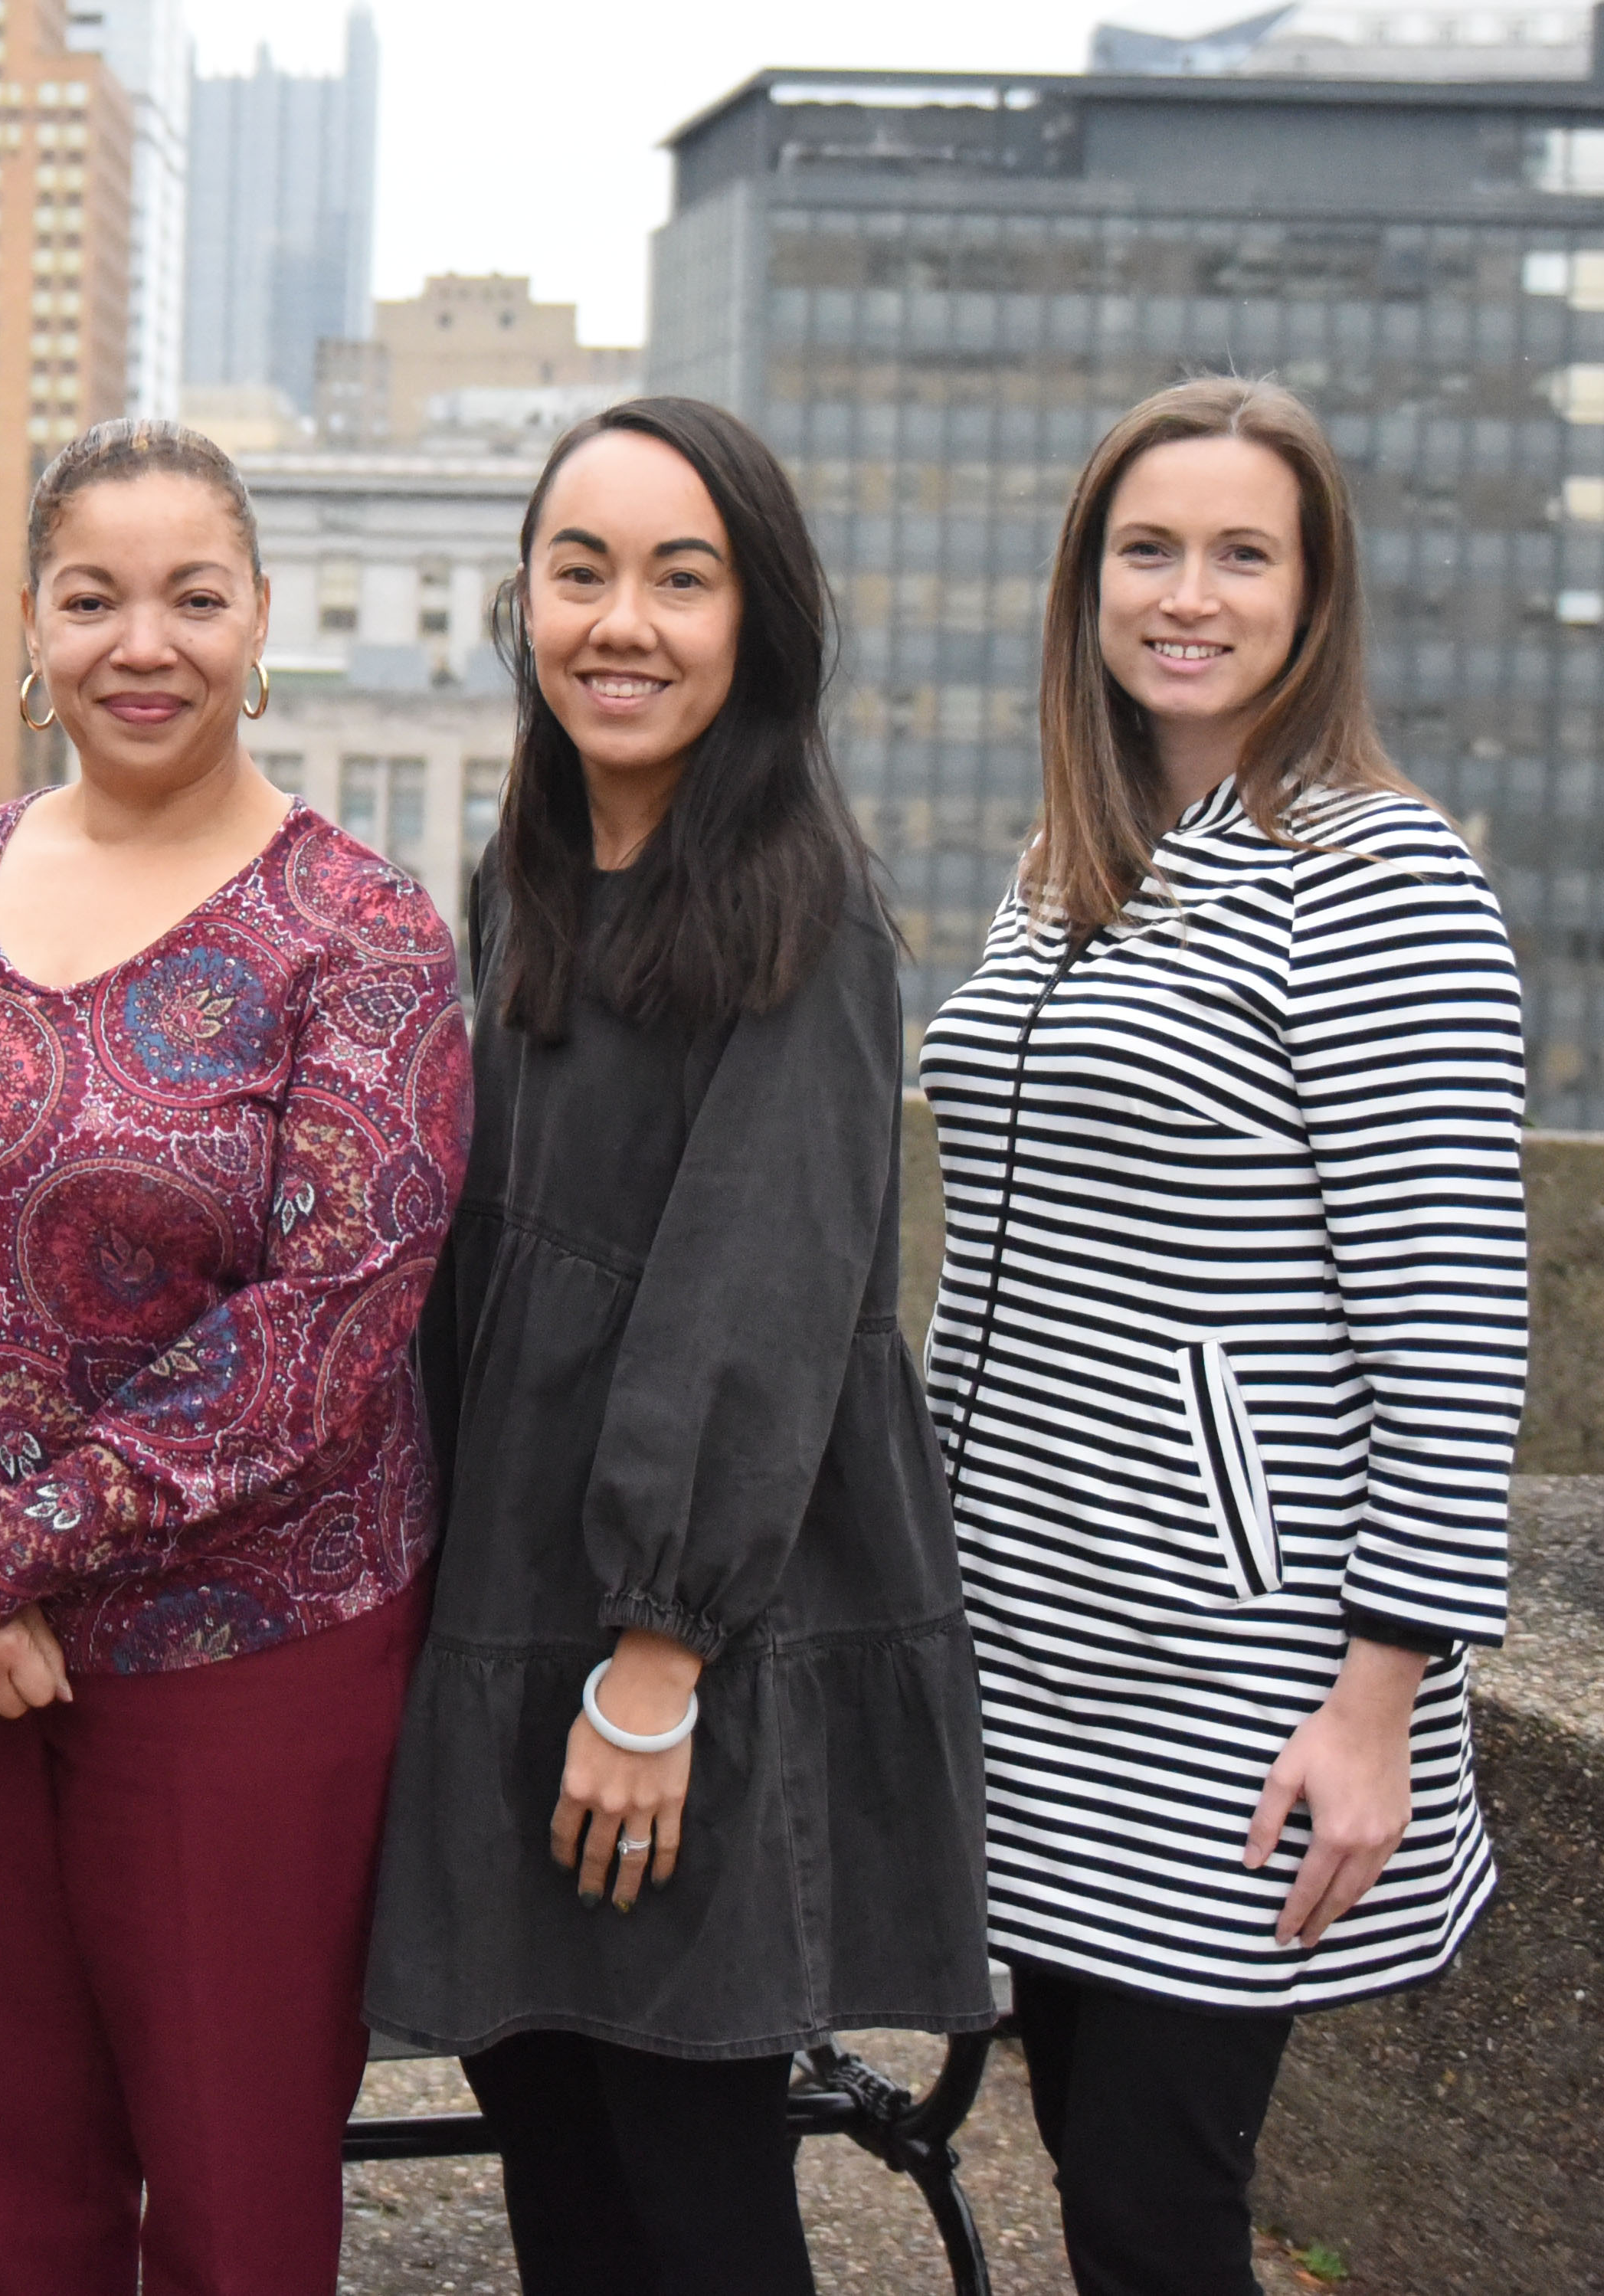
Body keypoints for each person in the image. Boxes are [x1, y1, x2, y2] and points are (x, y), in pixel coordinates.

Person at [0, 418, 470, 2295]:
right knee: (2, 2174)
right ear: (31, 620)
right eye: (92, 597)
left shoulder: (360, 931)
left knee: (236, 2189)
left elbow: (332, 1312)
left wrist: (5, 1546)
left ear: (258, 624)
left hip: (243, 1644)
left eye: (190, 596)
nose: (138, 642)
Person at [364, 398, 995, 2295]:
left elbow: (756, 1305)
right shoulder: (530, 890)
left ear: (755, 624)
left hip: (675, 1647)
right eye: (579, 571)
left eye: (678, 575)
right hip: (511, 1612)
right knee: (558, 2162)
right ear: (523, 606)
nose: (617, 621)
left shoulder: (792, 914)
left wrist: (652, 1662)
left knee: (691, 2194)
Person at [920, 375, 1524, 2296]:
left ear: (1310, 592)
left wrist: (1377, 1700)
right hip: (1030, 1646)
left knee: (1153, 2198)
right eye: (1147, 548)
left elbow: (1449, 1315)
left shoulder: (1377, 873)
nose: (1189, 593)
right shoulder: (1066, 867)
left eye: (1240, 553)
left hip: (1232, 1678)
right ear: (1084, 583)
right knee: (1087, 2157)